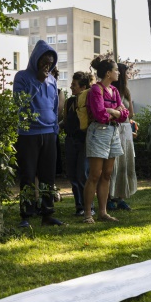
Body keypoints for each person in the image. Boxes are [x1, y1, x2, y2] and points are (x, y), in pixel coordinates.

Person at [13, 40, 62, 229]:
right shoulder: (23, 77)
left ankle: (47, 213)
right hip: (28, 134)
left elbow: (54, 106)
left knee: (48, 176)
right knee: (28, 175)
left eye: (50, 63)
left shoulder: (53, 80)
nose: (47, 66)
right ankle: (26, 213)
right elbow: (19, 102)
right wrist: (38, 82)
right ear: (36, 60)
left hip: (49, 133)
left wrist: (55, 128)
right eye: (44, 62)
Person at [83, 55, 128, 224]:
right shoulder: (96, 89)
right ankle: (88, 214)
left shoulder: (115, 91)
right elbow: (100, 115)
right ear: (108, 73)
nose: (118, 73)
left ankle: (103, 212)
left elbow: (124, 115)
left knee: (107, 174)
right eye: (116, 70)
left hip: (113, 132)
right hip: (99, 133)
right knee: (95, 174)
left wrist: (113, 112)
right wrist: (114, 112)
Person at [62, 71, 92, 216]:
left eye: (74, 85)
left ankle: (89, 206)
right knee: (72, 174)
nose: (71, 87)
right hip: (70, 140)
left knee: (82, 173)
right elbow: (66, 120)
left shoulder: (90, 101)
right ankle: (79, 206)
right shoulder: (69, 102)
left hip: (85, 141)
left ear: (83, 87)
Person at [109, 62, 137, 211]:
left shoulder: (125, 90)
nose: (126, 75)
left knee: (125, 162)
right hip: (114, 127)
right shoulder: (110, 91)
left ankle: (121, 197)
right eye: (124, 72)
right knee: (113, 163)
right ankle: (109, 197)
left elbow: (131, 112)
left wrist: (122, 114)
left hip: (125, 128)